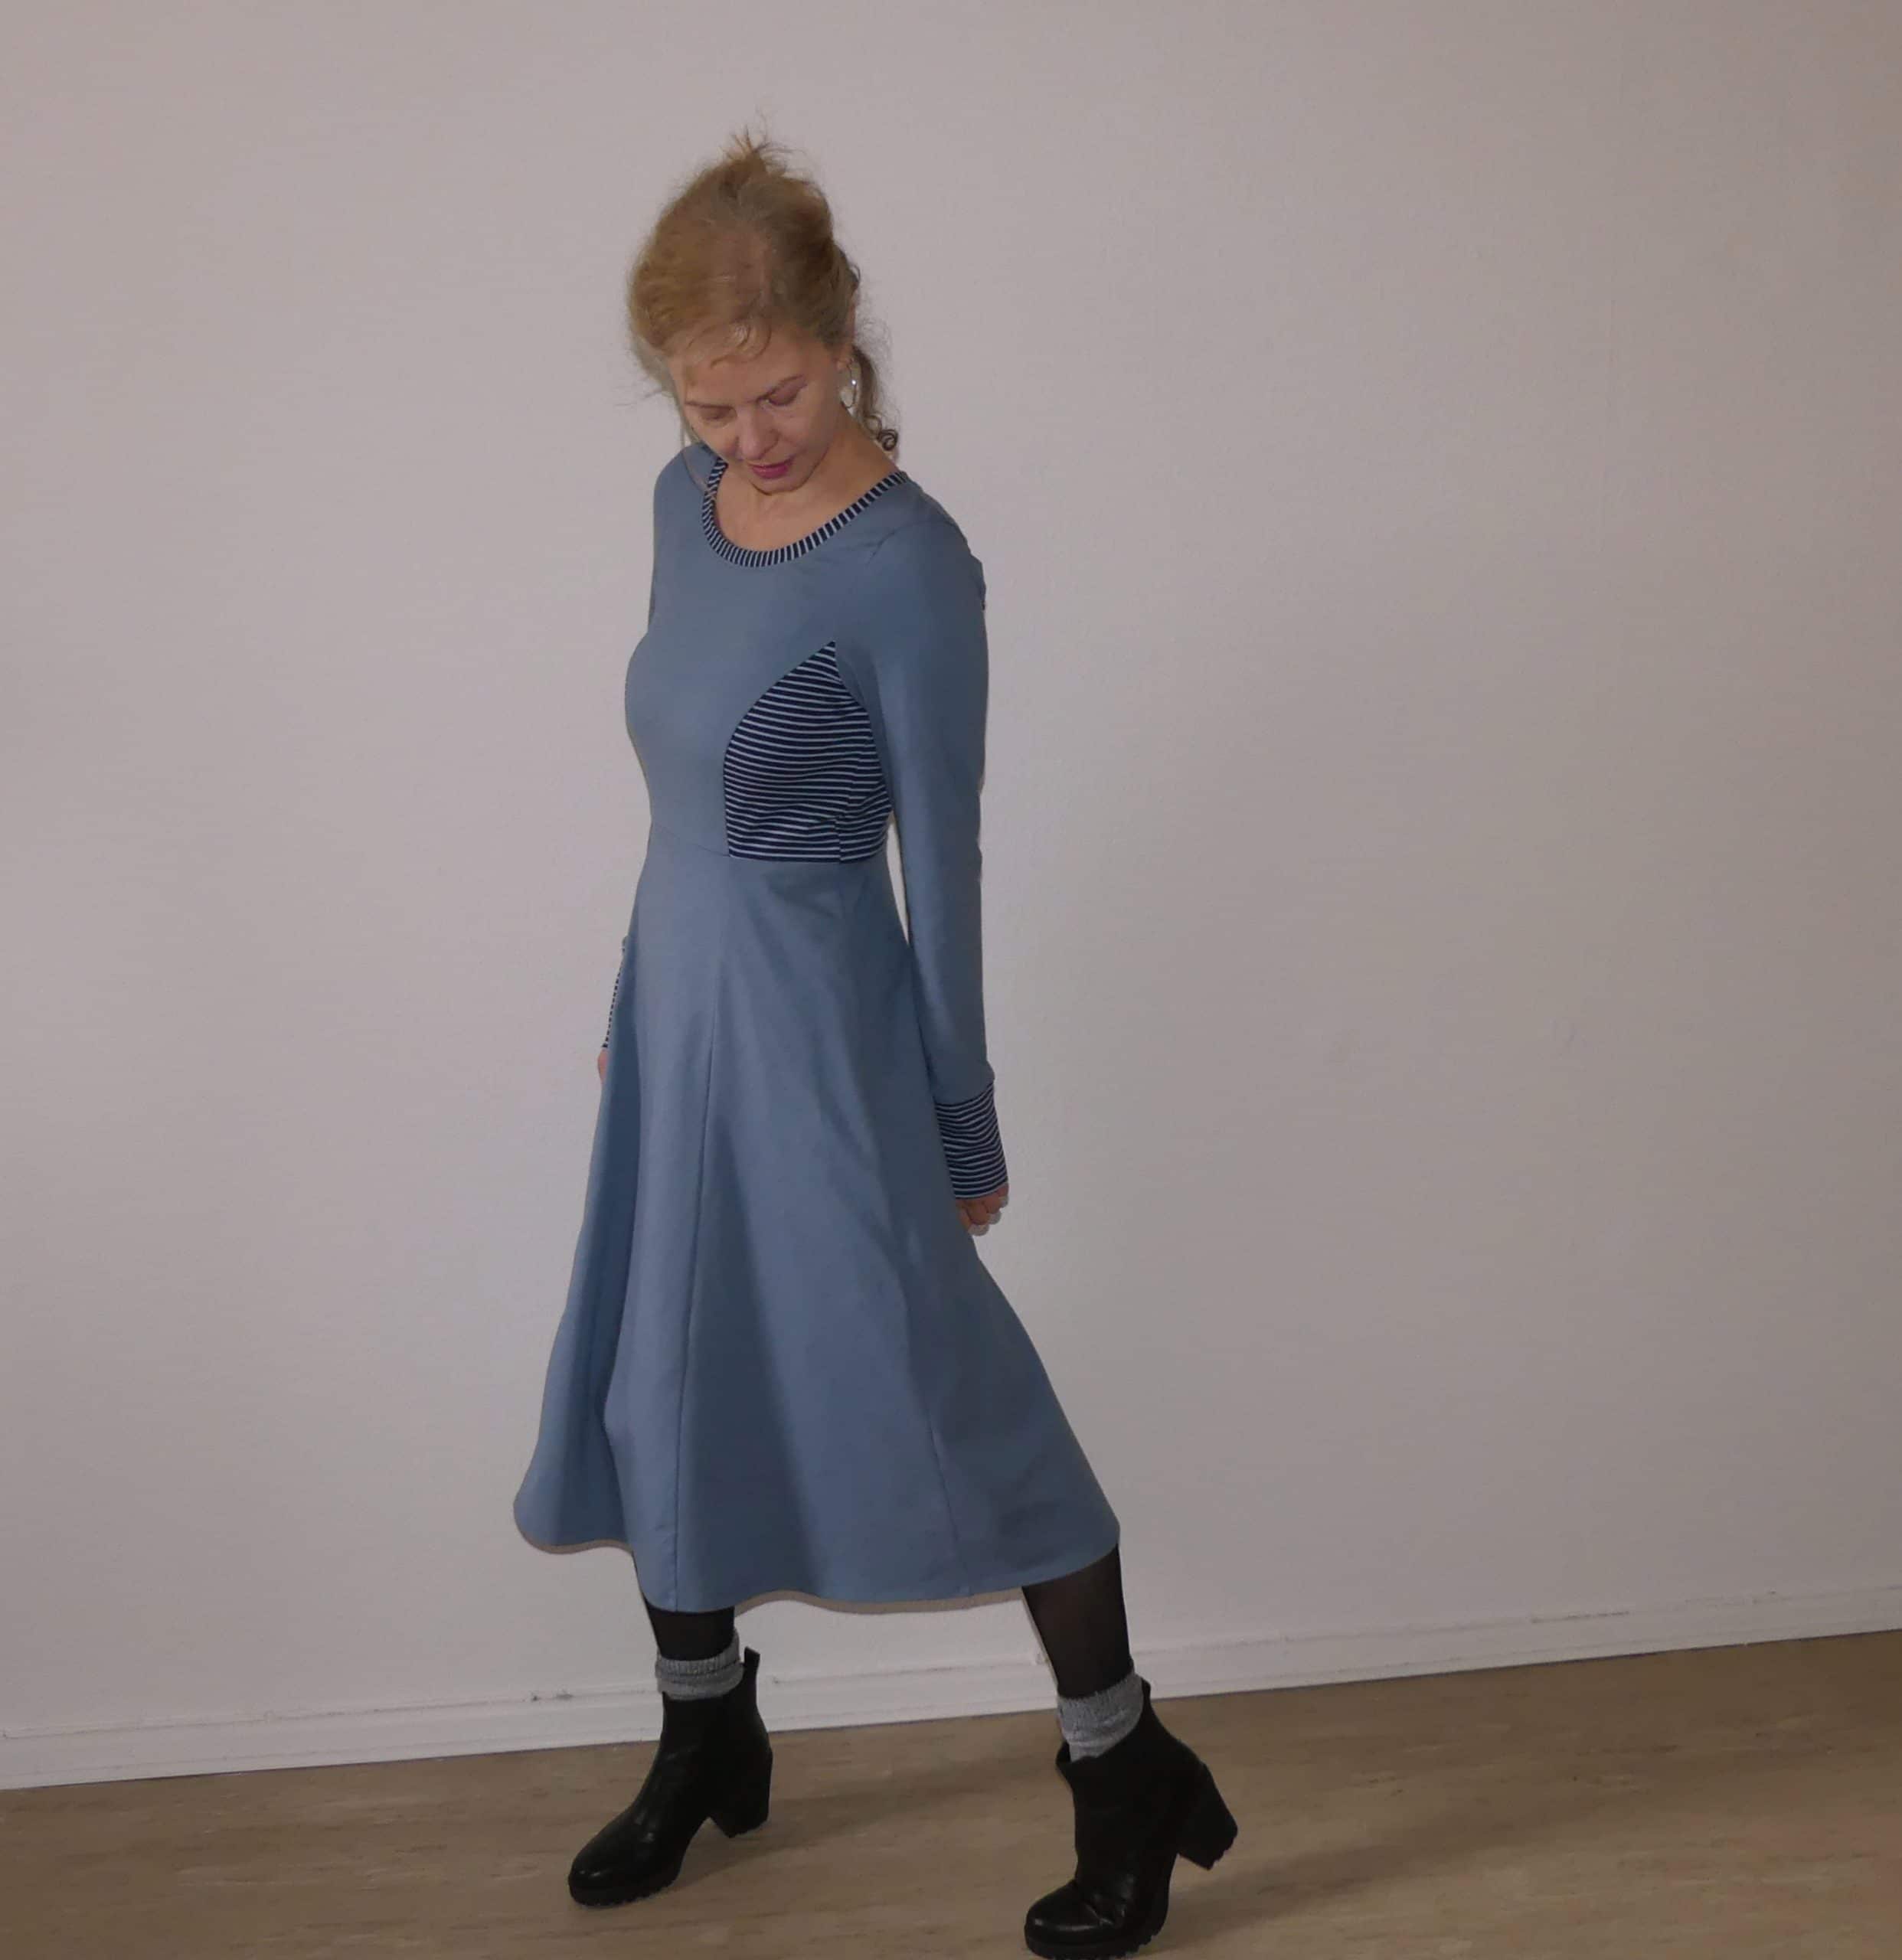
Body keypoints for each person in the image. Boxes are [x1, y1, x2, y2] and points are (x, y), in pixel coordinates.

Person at [511, 130, 1237, 1958]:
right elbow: (680, 797)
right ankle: (708, 1732)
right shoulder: (680, 508)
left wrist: (958, 1113)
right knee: (661, 1377)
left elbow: (945, 850)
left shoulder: (910, 564)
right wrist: (632, 1000)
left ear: (842, 344)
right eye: (708, 403)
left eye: (778, 392)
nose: (748, 436)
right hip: (682, 1016)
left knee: (955, 1392)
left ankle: (1125, 1758)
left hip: (825, 1036)